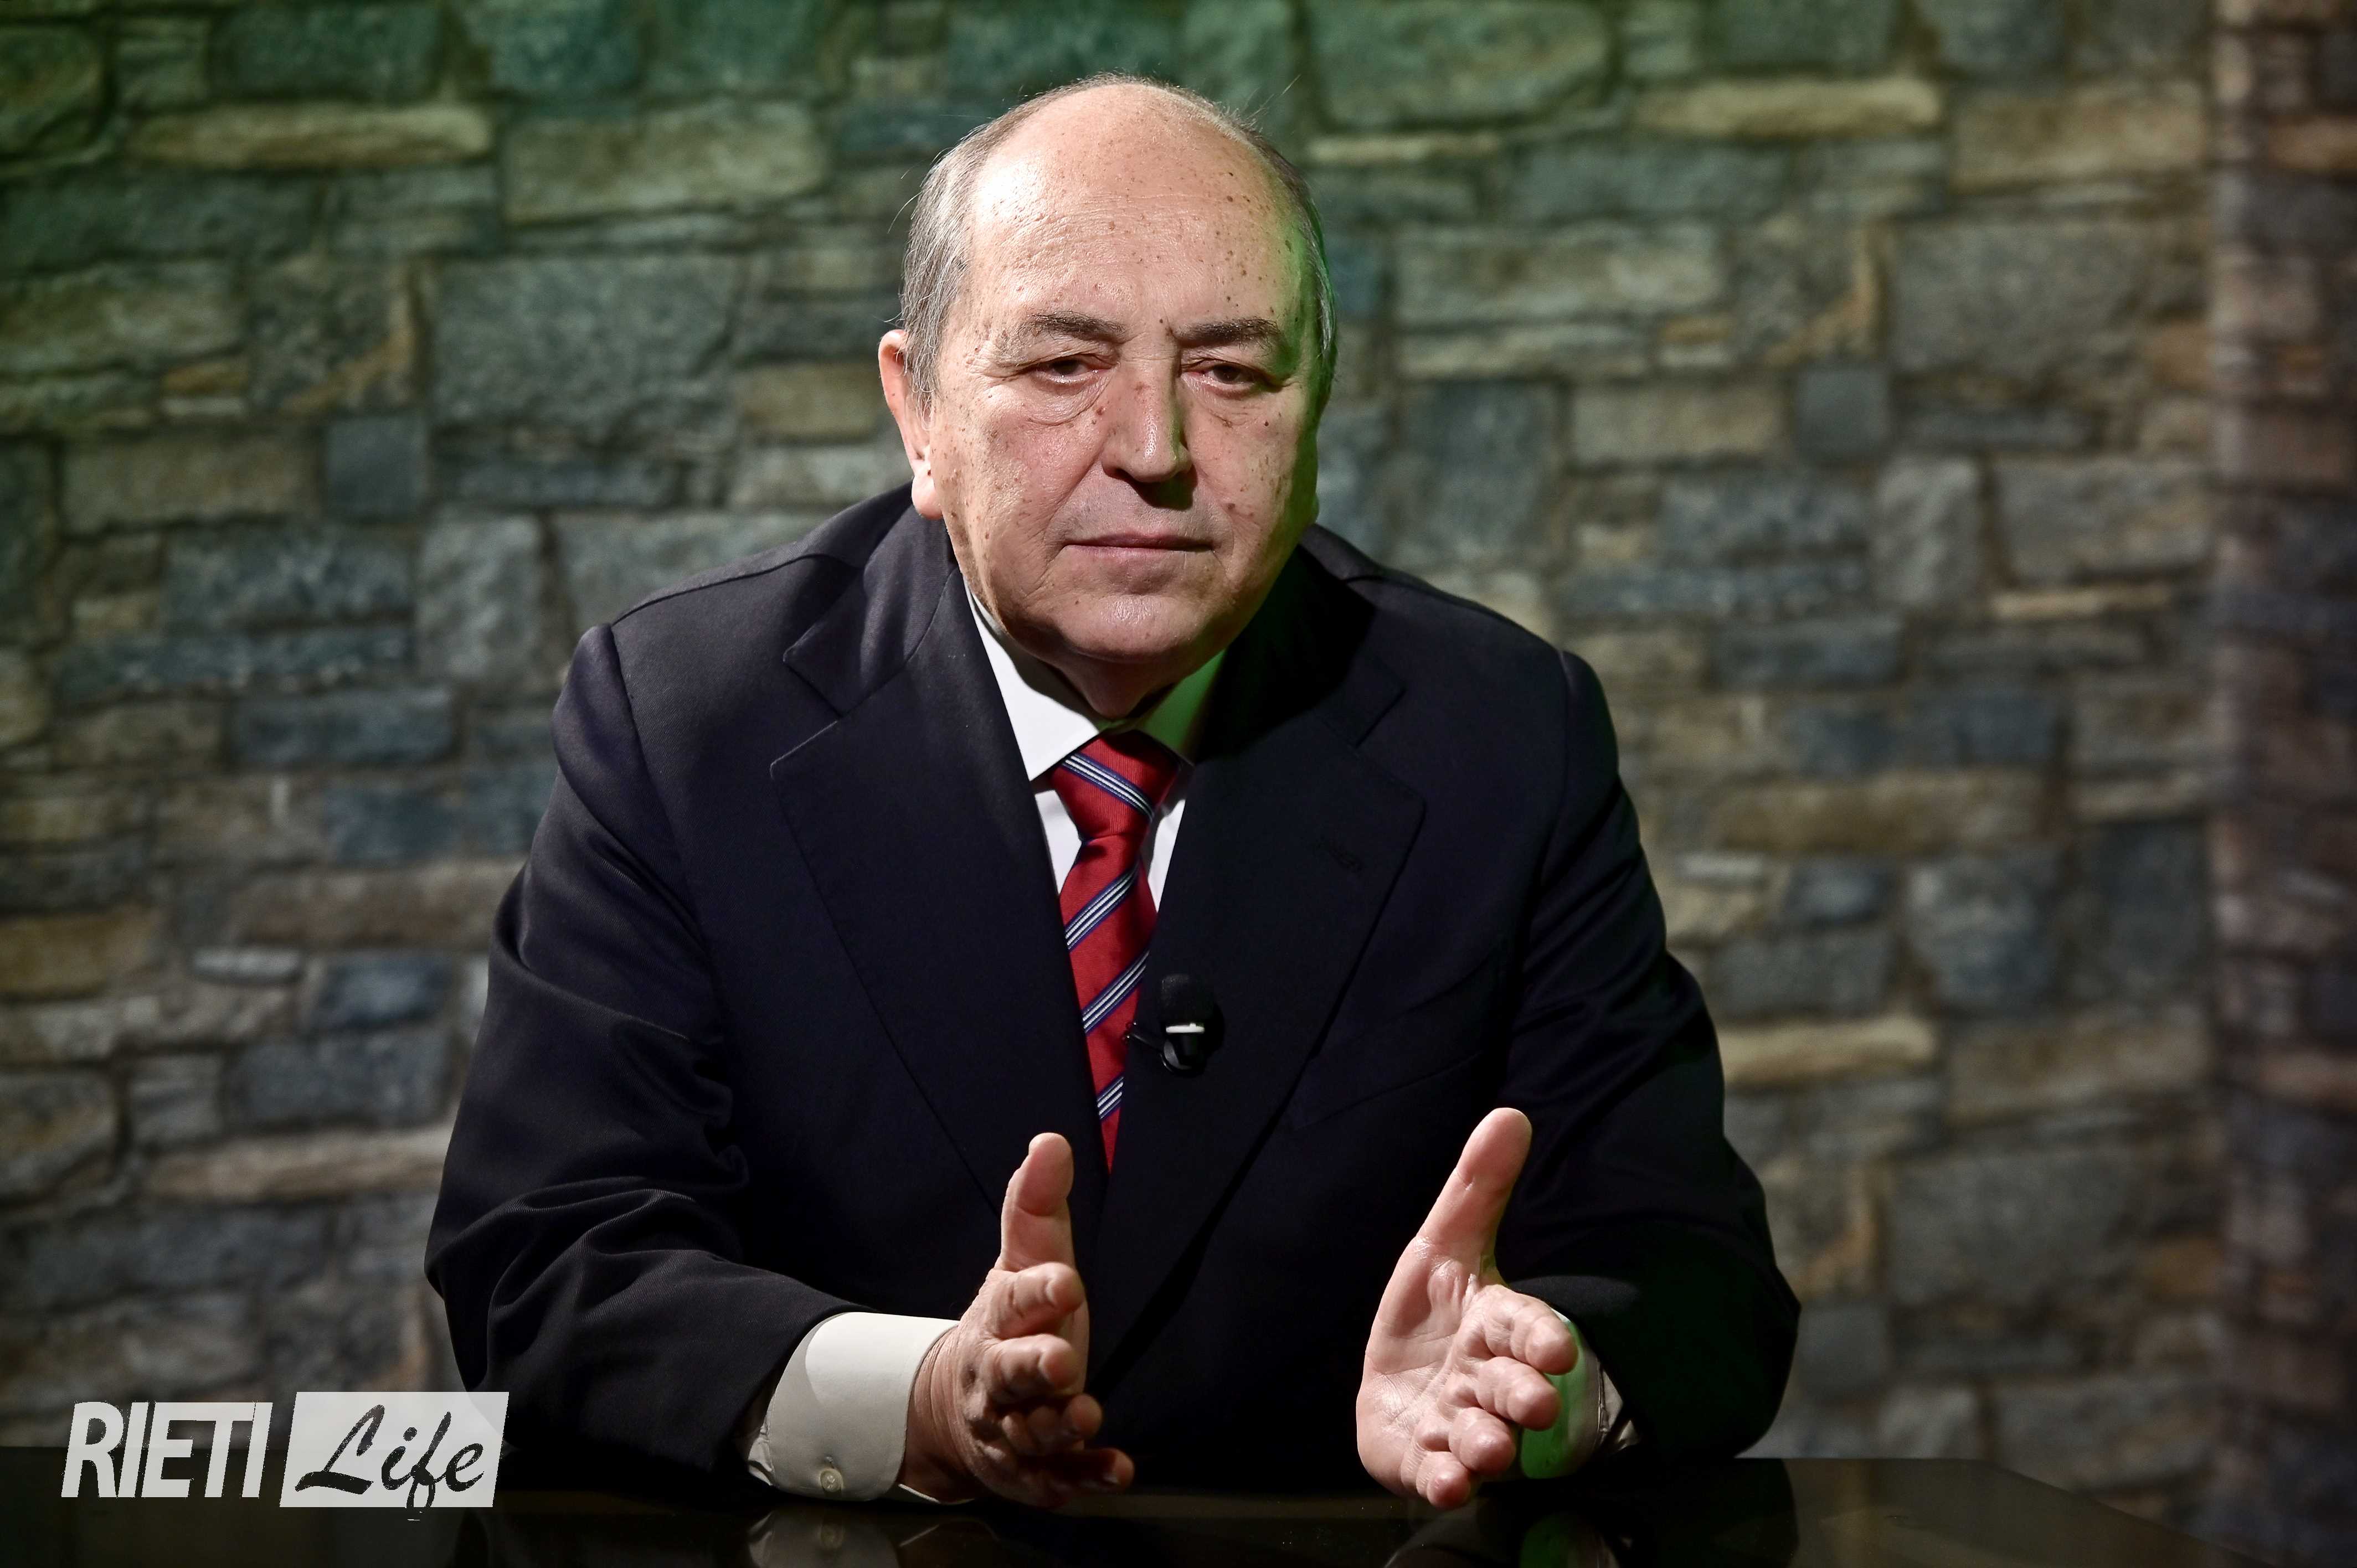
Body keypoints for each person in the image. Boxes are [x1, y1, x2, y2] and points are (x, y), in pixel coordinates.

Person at [426, 75, 1795, 1512]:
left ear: (1318, 406)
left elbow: (1690, 1270)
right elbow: (547, 1265)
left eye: (1233, 373)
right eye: (1064, 365)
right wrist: (916, 1402)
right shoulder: (686, 725)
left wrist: (1540, 1386)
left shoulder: (1501, 733)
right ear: (918, 410)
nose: (1154, 449)